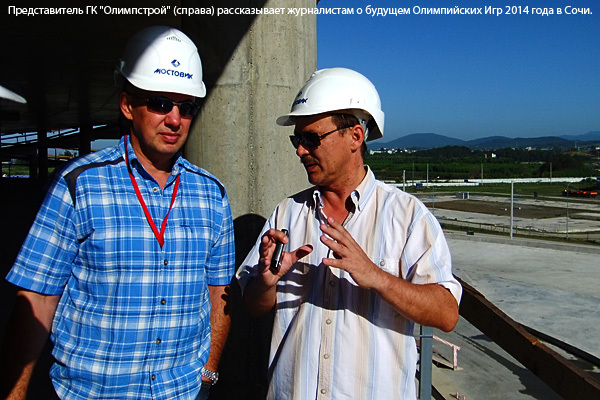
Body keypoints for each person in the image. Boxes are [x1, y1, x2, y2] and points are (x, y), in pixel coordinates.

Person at [0, 26, 234, 400]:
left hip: (182, 392)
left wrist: (208, 376)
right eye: (160, 103)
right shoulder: (77, 185)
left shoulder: (212, 194)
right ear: (127, 105)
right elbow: (37, 299)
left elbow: (220, 293)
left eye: (186, 107)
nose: (175, 119)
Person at [236, 67, 462, 399]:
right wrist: (266, 284)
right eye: (297, 140)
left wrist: (377, 276)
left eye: (311, 138)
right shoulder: (287, 213)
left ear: (355, 137)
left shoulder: (407, 216)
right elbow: (253, 306)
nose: (300, 151)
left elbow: (446, 312)